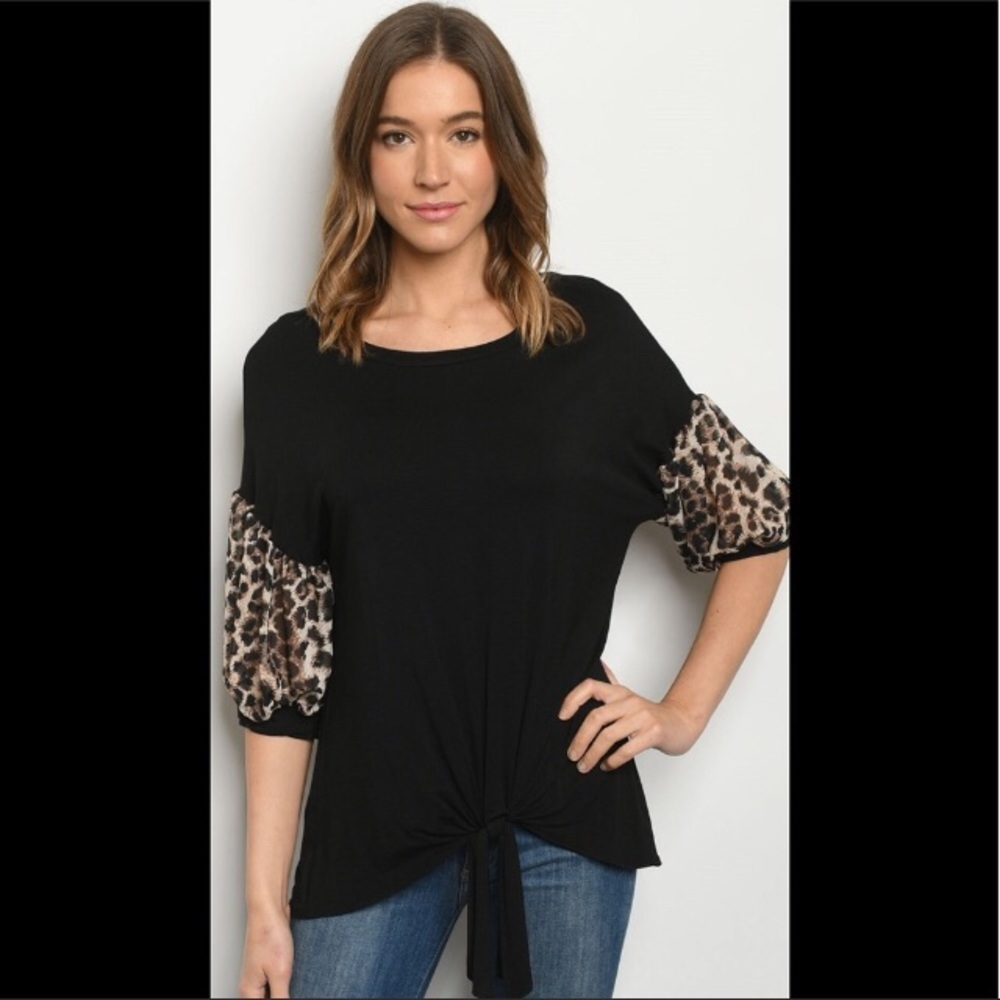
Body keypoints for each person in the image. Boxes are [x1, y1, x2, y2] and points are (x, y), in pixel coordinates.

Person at [222, 3, 790, 998]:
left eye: (463, 133)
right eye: (398, 136)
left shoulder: (590, 340)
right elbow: (277, 670)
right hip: (373, 823)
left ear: (504, 151)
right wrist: (265, 906)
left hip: (564, 817)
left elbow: (758, 518)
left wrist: (680, 712)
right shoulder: (293, 369)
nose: (431, 172)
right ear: (361, 156)